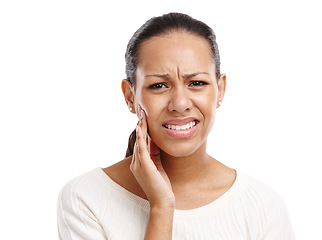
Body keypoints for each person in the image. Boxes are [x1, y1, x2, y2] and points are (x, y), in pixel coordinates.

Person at [57, 12, 295, 239]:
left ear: (220, 89)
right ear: (130, 96)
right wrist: (161, 208)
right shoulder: (86, 199)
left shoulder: (262, 207)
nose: (180, 104)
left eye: (197, 82)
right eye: (159, 85)